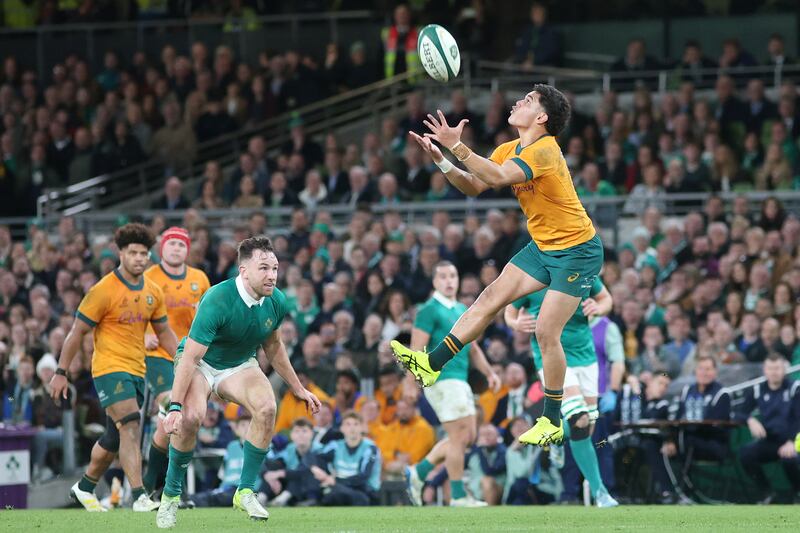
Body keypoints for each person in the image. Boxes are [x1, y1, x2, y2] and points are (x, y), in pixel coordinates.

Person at [393, 84, 603, 449]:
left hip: (577, 251)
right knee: (489, 298)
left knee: (545, 332)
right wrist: (443, 159)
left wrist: (457, 145)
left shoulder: (546, 150)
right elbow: (475, 185)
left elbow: (498, 177)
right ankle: (432, 364)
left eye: (529, 100)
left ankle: (551, 420)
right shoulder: (510, 148)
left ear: (541, 118)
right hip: (543, 246)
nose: (519, 100)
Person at [156, 237, 321, 528]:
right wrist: (175, 407)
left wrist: (298, 388)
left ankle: (244, 491)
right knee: (192, 418)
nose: (272, 275)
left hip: (240, 364)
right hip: (200, 364)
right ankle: (170, 496)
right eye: (264, 268)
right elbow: (190, 358)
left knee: (267, 407)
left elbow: (274, 346)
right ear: (244, 271)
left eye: (275, 268)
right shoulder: (217, 299)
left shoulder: (276, 301)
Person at [50, 223, 178, 512]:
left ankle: (85, 486)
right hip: (108, 367)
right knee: (131, 424)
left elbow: (165, 333)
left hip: (137, 369)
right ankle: (139, 496)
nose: (139, 258)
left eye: (144, 253)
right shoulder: (103, 290)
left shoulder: (153, 292)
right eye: (133, 253)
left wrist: (183, 359)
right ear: (120, 253)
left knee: (114, 436)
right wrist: (61, 372)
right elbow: (76, 332)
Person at [505, 278, 619, 507]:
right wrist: (516, 323)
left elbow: (606, 299)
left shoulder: (582, 271)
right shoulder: (533, 278)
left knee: (587, 427)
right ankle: (601, 493)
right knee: (580, 419)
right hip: (550, 356)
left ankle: (556, 436)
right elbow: (510, 310)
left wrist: (599, 308)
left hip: (585, 356)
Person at [405, 260, 500, 507]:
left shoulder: (461, 309)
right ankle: (458, 496)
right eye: (443, 277)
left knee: (468, 436)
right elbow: (416, 349)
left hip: (460, 379)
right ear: (435, 281)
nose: (449, 281)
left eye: (453, 276)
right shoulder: (428, 310)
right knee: (459, 436)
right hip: (441, 379)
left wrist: (489, 372)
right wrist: (410, 384)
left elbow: (473, 347)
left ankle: (419, 472)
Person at [142, 227, 211, 494]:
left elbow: (209, 315)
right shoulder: (149, 276)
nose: (176, 249)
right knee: (170, 402)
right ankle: (163, 486)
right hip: (158, 353)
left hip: (191, 357)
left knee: (185, 418)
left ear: (187, 250)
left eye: (181, 245)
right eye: (171, 244)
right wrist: (147, 334)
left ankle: (156, 485)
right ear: (162, 249)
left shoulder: (199, 278)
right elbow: (138, 311)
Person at [735, 354, 800, 503]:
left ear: (784, 369)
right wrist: (750, 419)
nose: (774, 372)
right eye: (770, 368)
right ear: (765, 370)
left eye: (777, 368)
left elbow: (798, 419)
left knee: (789, 458)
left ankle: (798, 493)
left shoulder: (794, 388)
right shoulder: (758, 389)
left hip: (795, 440)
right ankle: (767, 493)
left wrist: (791, 441)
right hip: (770, 440)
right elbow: (738, 412)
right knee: (746, 453)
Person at [315, 410, 382, 506]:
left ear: (362, 428)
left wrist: (335, 481)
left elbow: (363, 477)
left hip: (365, 491)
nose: (352, 428)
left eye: (356, 424)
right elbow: (315, 457)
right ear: (342, 428)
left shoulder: (370, 448)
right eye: (348, 424)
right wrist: (322, 473)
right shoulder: (336, 445)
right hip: (340, 488)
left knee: (337, 494)